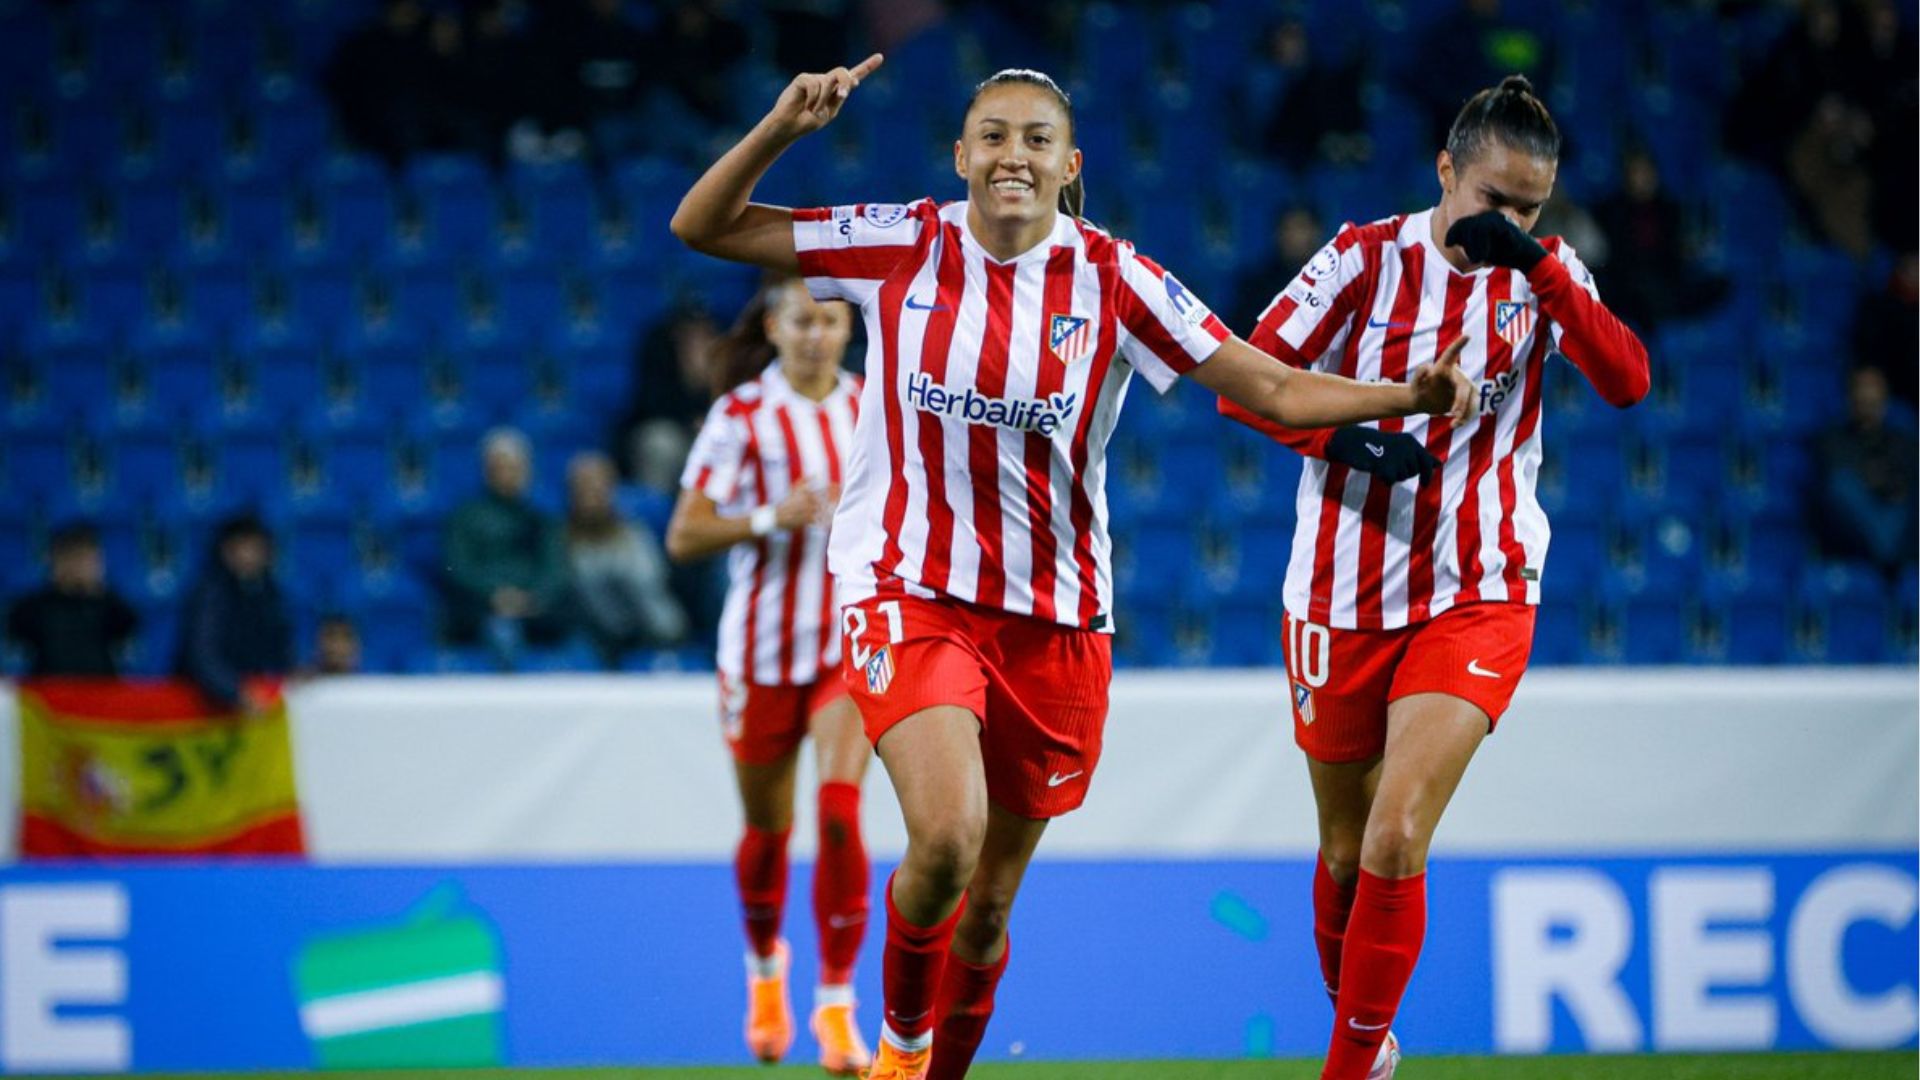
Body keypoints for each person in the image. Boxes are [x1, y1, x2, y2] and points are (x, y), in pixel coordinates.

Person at [670, 57, 1478, 1080]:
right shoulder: (897, 241)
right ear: (962, 156)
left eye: (1036, 138)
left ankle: (934, 1062)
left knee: (992, 902)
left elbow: (1268, 386)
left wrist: (1403, 396)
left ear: (1069, 164)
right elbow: (703, 225)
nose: (1014, 154)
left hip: (1054, 619)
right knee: (947, 840)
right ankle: (903, 1044)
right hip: (907, 588)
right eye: (995, 135)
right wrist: (784, 123)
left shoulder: (1115, 277)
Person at [1216, 75, 1649, 1079]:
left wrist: (1540, 267)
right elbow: (1246, 389)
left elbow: (1627, 380)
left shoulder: (1545, 275)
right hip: (1338, 594)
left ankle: (1347, 1064)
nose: (1510, 225)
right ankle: (1369, 1045)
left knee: (1399, 830)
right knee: (1344, 848)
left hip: (1479, 583)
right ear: (1446, 169)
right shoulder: (1362, 261)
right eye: (1495, 202)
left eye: (1531, 210)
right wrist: (1360, 445)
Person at [663, 276, 873, 1074]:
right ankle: (764, 976)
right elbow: (684, 535)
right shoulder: (742, 415)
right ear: (775, 329)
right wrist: (768, 517)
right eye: (801, 322)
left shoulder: (875, 410)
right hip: (759, 652)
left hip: (847, 649)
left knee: (842, 813)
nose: (816, 335)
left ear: (849, 328)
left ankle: (837, 1007)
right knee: (768, 831)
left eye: (828, 320)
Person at [442, 427, 573, 667]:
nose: (508, 475)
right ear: (487, 471)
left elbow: (555, 569)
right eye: (500, 468)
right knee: (503, 633)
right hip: (483, 609)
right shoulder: (465, 516)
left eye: (515, 468)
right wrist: (495, 595)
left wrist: (533, 598)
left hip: (537, 609)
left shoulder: (542, 517)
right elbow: (458, 567)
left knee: (580, 637)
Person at [566, 450, 688, 664]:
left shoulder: (634, 535)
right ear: (572, 492)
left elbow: (652, 585)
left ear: (611, 489)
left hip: (648, 630)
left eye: (599, 486)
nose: (592, 494)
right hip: (591, 634)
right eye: (584, 487)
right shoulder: (560, 540)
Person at [175, 513, 296, 713]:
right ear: (226, 551)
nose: (250, 556)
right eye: (243, 548)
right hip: (204, 707)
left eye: (256, 548)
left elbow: (280, 647)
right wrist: (234, 691)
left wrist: (294, 672)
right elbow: (203, 655)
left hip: (248, 702)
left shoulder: (269, 593)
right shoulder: (210, 595)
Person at [1812, 366, 1916, 578]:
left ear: (1885, 401)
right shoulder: (1832, 439)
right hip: (1852, 535)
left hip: (1899, 522)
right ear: (1850, 399)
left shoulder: (1902, 441)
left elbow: (1907, 479)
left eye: (1874, 399)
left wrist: (1882, 482)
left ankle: (1888, 549)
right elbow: (1838, 482)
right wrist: (1880, 483)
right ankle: (1887, 551)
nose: (1868, 403)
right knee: (1842, 486)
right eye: (1863, 396)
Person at [5, 522, 139, 678]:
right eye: (72, 557)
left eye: (85, 558)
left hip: (100, 689)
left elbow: (129, 627)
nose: (78, 565)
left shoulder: (108, 604)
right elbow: (16, 633)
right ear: (56, 561)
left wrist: (95, 589)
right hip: (49, 691)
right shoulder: (36, 606)